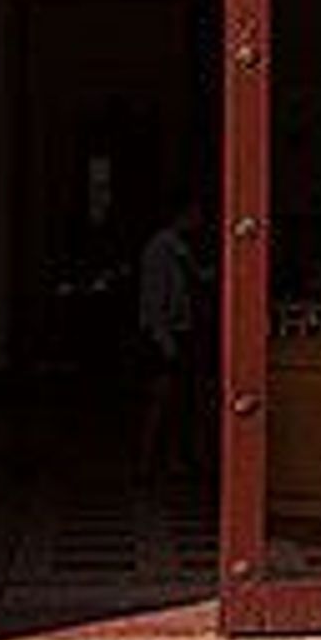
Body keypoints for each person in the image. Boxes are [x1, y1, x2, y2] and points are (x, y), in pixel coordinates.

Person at [132, 193, 205, 480]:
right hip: (163, 334)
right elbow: (153, 300)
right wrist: (164, 341)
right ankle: (146, 461)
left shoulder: (178, 248)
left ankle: (172, 459)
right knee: (161, 400)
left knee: (177, 401)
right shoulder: (160, 249)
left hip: (178, 330)